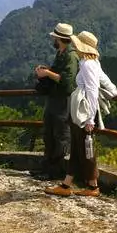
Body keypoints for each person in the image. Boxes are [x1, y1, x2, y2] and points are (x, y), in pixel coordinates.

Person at [45, 30, 117, 197]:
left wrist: (89, 119)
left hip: (84, 112)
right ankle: (67, 185)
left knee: (86, 148)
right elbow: (104, 79)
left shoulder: (87, 64)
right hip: (83, 111)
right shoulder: (92, 62)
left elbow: (93, 90)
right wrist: (116, 92)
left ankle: (92, 186)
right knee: (79, 147)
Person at [31, 22, 78, 181]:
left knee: (60, 135)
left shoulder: (71, 56)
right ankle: (46, 168)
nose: (53, 40)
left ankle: (56, 172)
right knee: (49, 134)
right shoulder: (61, 53)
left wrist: (47, 74)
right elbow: (56, 75)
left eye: (55, 38)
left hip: (62, 101)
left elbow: (67, 81)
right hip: (53, 99)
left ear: (60, 39)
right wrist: (46, 72)